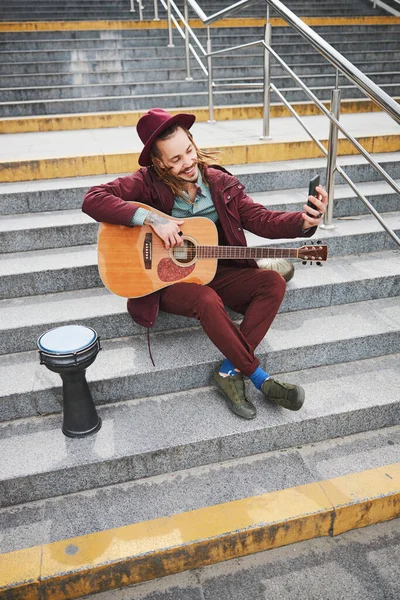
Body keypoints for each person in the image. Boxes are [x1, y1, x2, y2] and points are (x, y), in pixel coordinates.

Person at [83, 108, 328, 420]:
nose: (187, 164)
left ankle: (228, 370)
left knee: (272, 283)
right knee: (207, 300)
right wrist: (153, 219)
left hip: (212, 269)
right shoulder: (146, 183)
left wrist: (303, 221)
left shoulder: (220, 184)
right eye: (175, 160)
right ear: (158, 163)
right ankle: (259, 378)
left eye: (188, 151)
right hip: (164, 282)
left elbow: (261, 219)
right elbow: (93, 199)